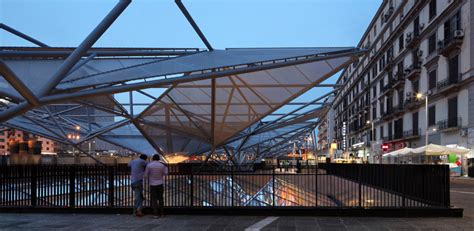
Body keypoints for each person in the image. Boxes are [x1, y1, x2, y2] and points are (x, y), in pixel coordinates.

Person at [144, 154, 168, 218]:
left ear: (152, 159)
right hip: (160, 183)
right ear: (159, 159)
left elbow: (146, 175)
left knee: (154, 199)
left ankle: (155, 214)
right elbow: (166, 173)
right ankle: (162, 213)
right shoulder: (162, 165)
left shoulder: (149, 165)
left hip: (152, 184)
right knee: (160, 198)